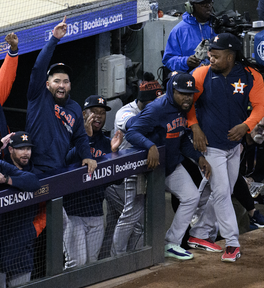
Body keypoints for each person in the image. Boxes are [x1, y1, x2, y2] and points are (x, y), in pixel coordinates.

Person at [185, 33, 264, 263]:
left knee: (226, 190)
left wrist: (246, 126)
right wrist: (195, 128)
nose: (210, 59)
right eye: (210, 55)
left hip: (233, 146)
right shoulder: (201, 74)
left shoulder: (251, 76)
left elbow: (260, 106)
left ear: (230, 57)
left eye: (216, 56)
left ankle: (200, 233)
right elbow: (187, 102)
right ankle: (232, 243)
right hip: (211, 147)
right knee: (221, 193)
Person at [125, 71, 212, 262]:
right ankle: (120, 258)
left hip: (171, 164)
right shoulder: (157, 109)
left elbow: (180, 139)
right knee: (134, 216)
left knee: (191, 197)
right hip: (151, 169)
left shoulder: (183, 108)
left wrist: (198, 158)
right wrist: (150, 146)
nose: (188, 98)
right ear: (172, 91)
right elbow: (131, 133)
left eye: (190, 94)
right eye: (183, 93)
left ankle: (171, 243)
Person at [26, 16, 97, 176]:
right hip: (33, 167)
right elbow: (38, 68)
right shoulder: (38, 96)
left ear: (70, 85)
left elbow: (80, 137)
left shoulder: (74, 108)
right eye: (56, 81)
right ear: (47, 84)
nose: (61, 85)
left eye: (65, 81)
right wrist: (54, 39)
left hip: (59, 169)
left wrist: (87, 155)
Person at [62, 95, 121, 267]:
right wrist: (85, 138)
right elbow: (66, 161)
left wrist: (114, 154)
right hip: (73, 213)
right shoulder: (69, 136)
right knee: (76, 263)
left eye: (102, 113)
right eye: (93, 112)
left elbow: (117, 181)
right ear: (83, 114)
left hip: (95, 212)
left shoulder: (107, 143)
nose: (98, 116)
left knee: (92, 263)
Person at [110, 78, 164, 257]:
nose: (156, 106)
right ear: (141, 101)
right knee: (132, 217)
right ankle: (118, 258)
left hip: (144, 169)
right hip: (122, 175)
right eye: (151, 104)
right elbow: (134, 126)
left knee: (130, 220)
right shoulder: (124, 112)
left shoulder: (153, 107)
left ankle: (133, 256)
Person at [0, 131, 43, 288]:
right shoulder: (0, 168)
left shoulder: (36, 173)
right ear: (11, 149)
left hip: (23, 250)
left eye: (28, 148)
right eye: (21, 148)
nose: (26, 153)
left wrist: (35, 229)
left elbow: (47, 207)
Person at [161, 0, 217, 73]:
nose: (208, 6)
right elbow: (168, 61)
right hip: (192, 80)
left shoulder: (218, 26)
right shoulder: (179, 31)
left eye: (209, 2)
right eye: (203, 3)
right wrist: (185, 62)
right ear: (191, 7)